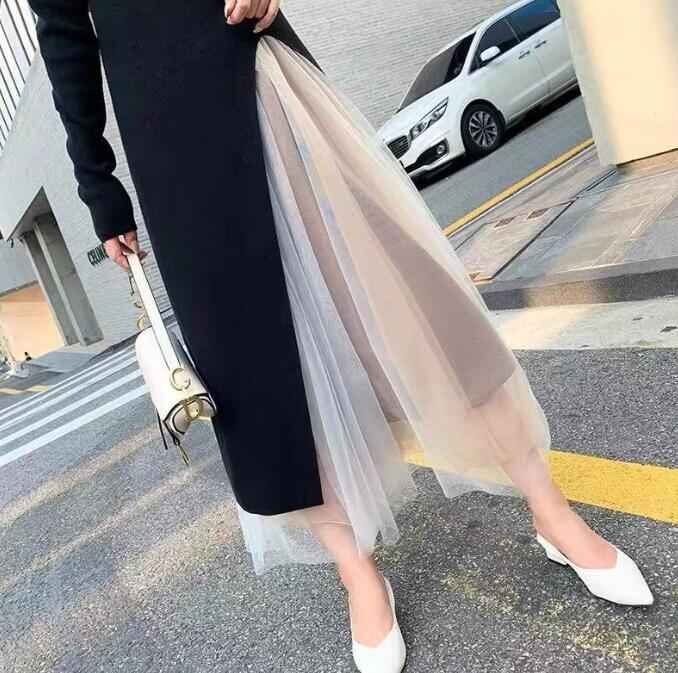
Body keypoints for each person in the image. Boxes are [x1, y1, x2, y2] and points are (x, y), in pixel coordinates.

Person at [28, 2, 653, 671]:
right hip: (171, 148)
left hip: (261, 75)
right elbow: (64, 35)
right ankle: (356, 570)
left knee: (410, 298)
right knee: (256, 374)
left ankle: (549, 508)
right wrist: (99, 190)